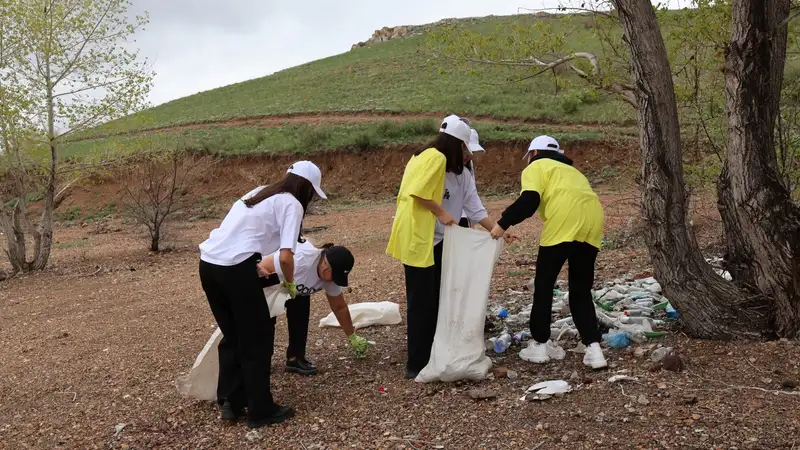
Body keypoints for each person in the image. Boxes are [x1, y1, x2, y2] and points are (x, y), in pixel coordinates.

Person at [198, 161, 326, 428]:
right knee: (257, 339)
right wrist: (290, 283)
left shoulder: (259, 192)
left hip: (209, 265)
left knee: (233, 335)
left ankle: (231, 402)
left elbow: (238, 233)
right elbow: (287, 256)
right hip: (235, 268)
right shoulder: (292, 203)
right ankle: (260, 409)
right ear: (307, 189)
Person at [490, 136, 608, 369]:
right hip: (593, 223)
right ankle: (594, 349)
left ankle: (540, 345)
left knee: (544, 284)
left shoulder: (537, 166)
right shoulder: (574, 172)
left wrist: (502, 224)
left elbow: (529, 200)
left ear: (533, 153)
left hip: (564, 223)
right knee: (580, 289)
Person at [387, 114, 487, 379]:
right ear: (456, 144)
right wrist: (441, 212)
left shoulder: (458, 172)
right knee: (421, 302)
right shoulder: (434, 157)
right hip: (421, 239)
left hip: (440, 240)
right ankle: (417, 363)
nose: (469, 156)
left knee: (439, 298)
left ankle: (435, 350)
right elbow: (418, 193)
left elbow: (475, 208)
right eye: (466, 149)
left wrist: (497, 229)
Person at [258, 239, 369, 376]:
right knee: (265, 322)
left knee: (301, 311)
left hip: (296, 288)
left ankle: (295, 357)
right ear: (325, 265)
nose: (334, 281)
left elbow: (339, 307)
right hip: (271, 280)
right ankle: (261, 361)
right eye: (334, 276)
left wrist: (352, 336)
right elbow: (264, 266)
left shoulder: (331, 277)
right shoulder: (300, 259)